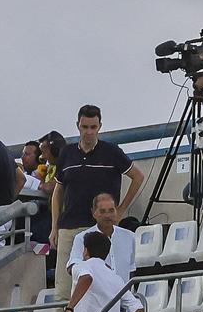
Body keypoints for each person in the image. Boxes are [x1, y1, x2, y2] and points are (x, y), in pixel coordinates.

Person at [51, 105, 143, 300]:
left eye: (93, 127)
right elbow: (58, 190)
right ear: (78, 126)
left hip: (100, 228)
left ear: (100, 126)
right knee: (64, 292)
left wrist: (121, 209)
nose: (89, 132)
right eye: (85, 127)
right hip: (69, 226)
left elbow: (137, 176)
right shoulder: (67, 154)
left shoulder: (111, 151)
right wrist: (54, 227)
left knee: (99, 289)